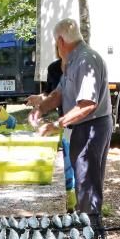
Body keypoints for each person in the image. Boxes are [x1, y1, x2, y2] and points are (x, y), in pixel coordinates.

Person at [27, 18, 112, 216]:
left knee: (87, 182)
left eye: (56, 43)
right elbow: (59, 93)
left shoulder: (85, 60)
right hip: (82, 127)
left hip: (92, 128)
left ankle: (90, 229)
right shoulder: (72, 61)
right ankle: (86, 225)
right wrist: (40, 109)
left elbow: (87, 104)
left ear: (61, 41)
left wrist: (58, 123)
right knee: (82, 180)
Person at [44, 56, 76, 212]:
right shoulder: (54, 68)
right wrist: (40, 104)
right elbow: (52, 94)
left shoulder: (79, 67)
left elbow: (86, 105)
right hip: (67, 126)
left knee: (81, 168)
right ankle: (70, 203)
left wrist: (57, 124)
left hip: (81, 126)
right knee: (69, 165)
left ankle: (82, 206)